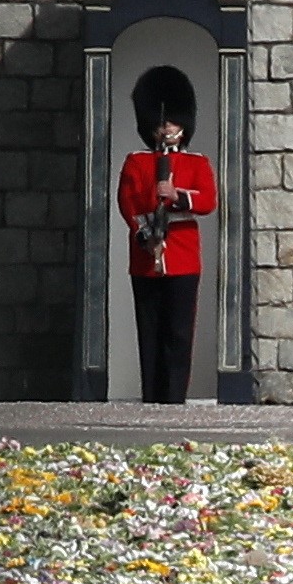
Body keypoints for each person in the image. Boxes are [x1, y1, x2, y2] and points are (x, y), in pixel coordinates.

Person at [116, 66, 217, 404]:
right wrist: (147, 237)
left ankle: (174, 400)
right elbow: (128, 202)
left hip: (184, 258)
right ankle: (152, 399)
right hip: (146, 257)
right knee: (150, 333)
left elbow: (208, 200)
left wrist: (177, 196)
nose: (167, 127)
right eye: (162, 122)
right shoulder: (136, 161)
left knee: (178, 333)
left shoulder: (198, 163)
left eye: (172, 121)